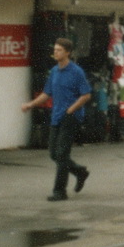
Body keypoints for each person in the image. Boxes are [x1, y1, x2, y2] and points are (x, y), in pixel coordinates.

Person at [21, 38, 92, 201]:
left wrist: (71, 109)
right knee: (54, 153)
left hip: (71, 116)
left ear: (67, 52)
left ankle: (59, 192)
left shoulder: (76, 72)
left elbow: (86, 95)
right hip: (56, 116)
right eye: (54, 49)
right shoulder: (54, 71)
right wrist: (30, 105)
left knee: (61, 154)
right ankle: (80, 171)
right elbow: (46, 94)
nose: (55, 52)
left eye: (59, 50)